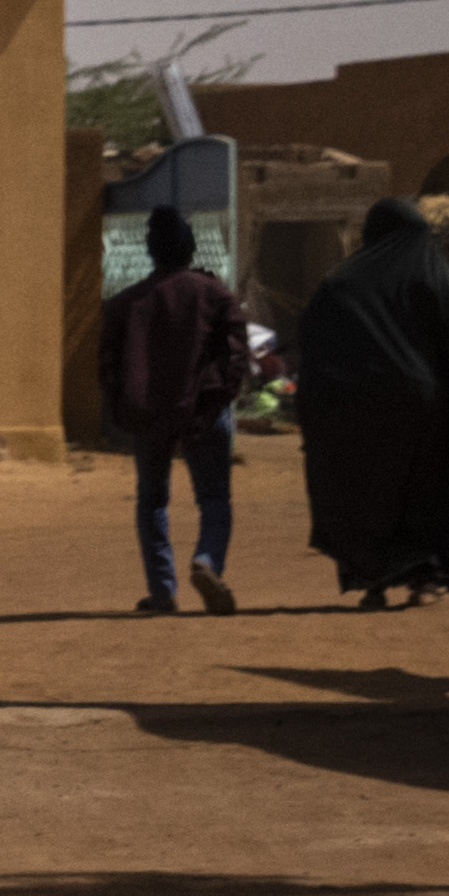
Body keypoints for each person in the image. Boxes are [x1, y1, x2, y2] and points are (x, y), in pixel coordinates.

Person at [282, 199, 449, 611]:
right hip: (423, 408)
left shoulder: (341, 281)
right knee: (424, 492)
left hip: (354, 408)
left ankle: (373, 577)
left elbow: (317, 348)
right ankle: (426, 574)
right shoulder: (438, 280)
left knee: (363, 489)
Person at [98, 204, 248, 617]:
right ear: (189, 247)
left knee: (152, 501)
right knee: (214, 498)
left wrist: (124, 411)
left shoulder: (125, 305)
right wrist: (215, 399)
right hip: (204, 413)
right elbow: (235, 355)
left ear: (151, 250)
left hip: (149, 417)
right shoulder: (215, 294)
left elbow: (108, 366)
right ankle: (207, 561)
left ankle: (162, 592)